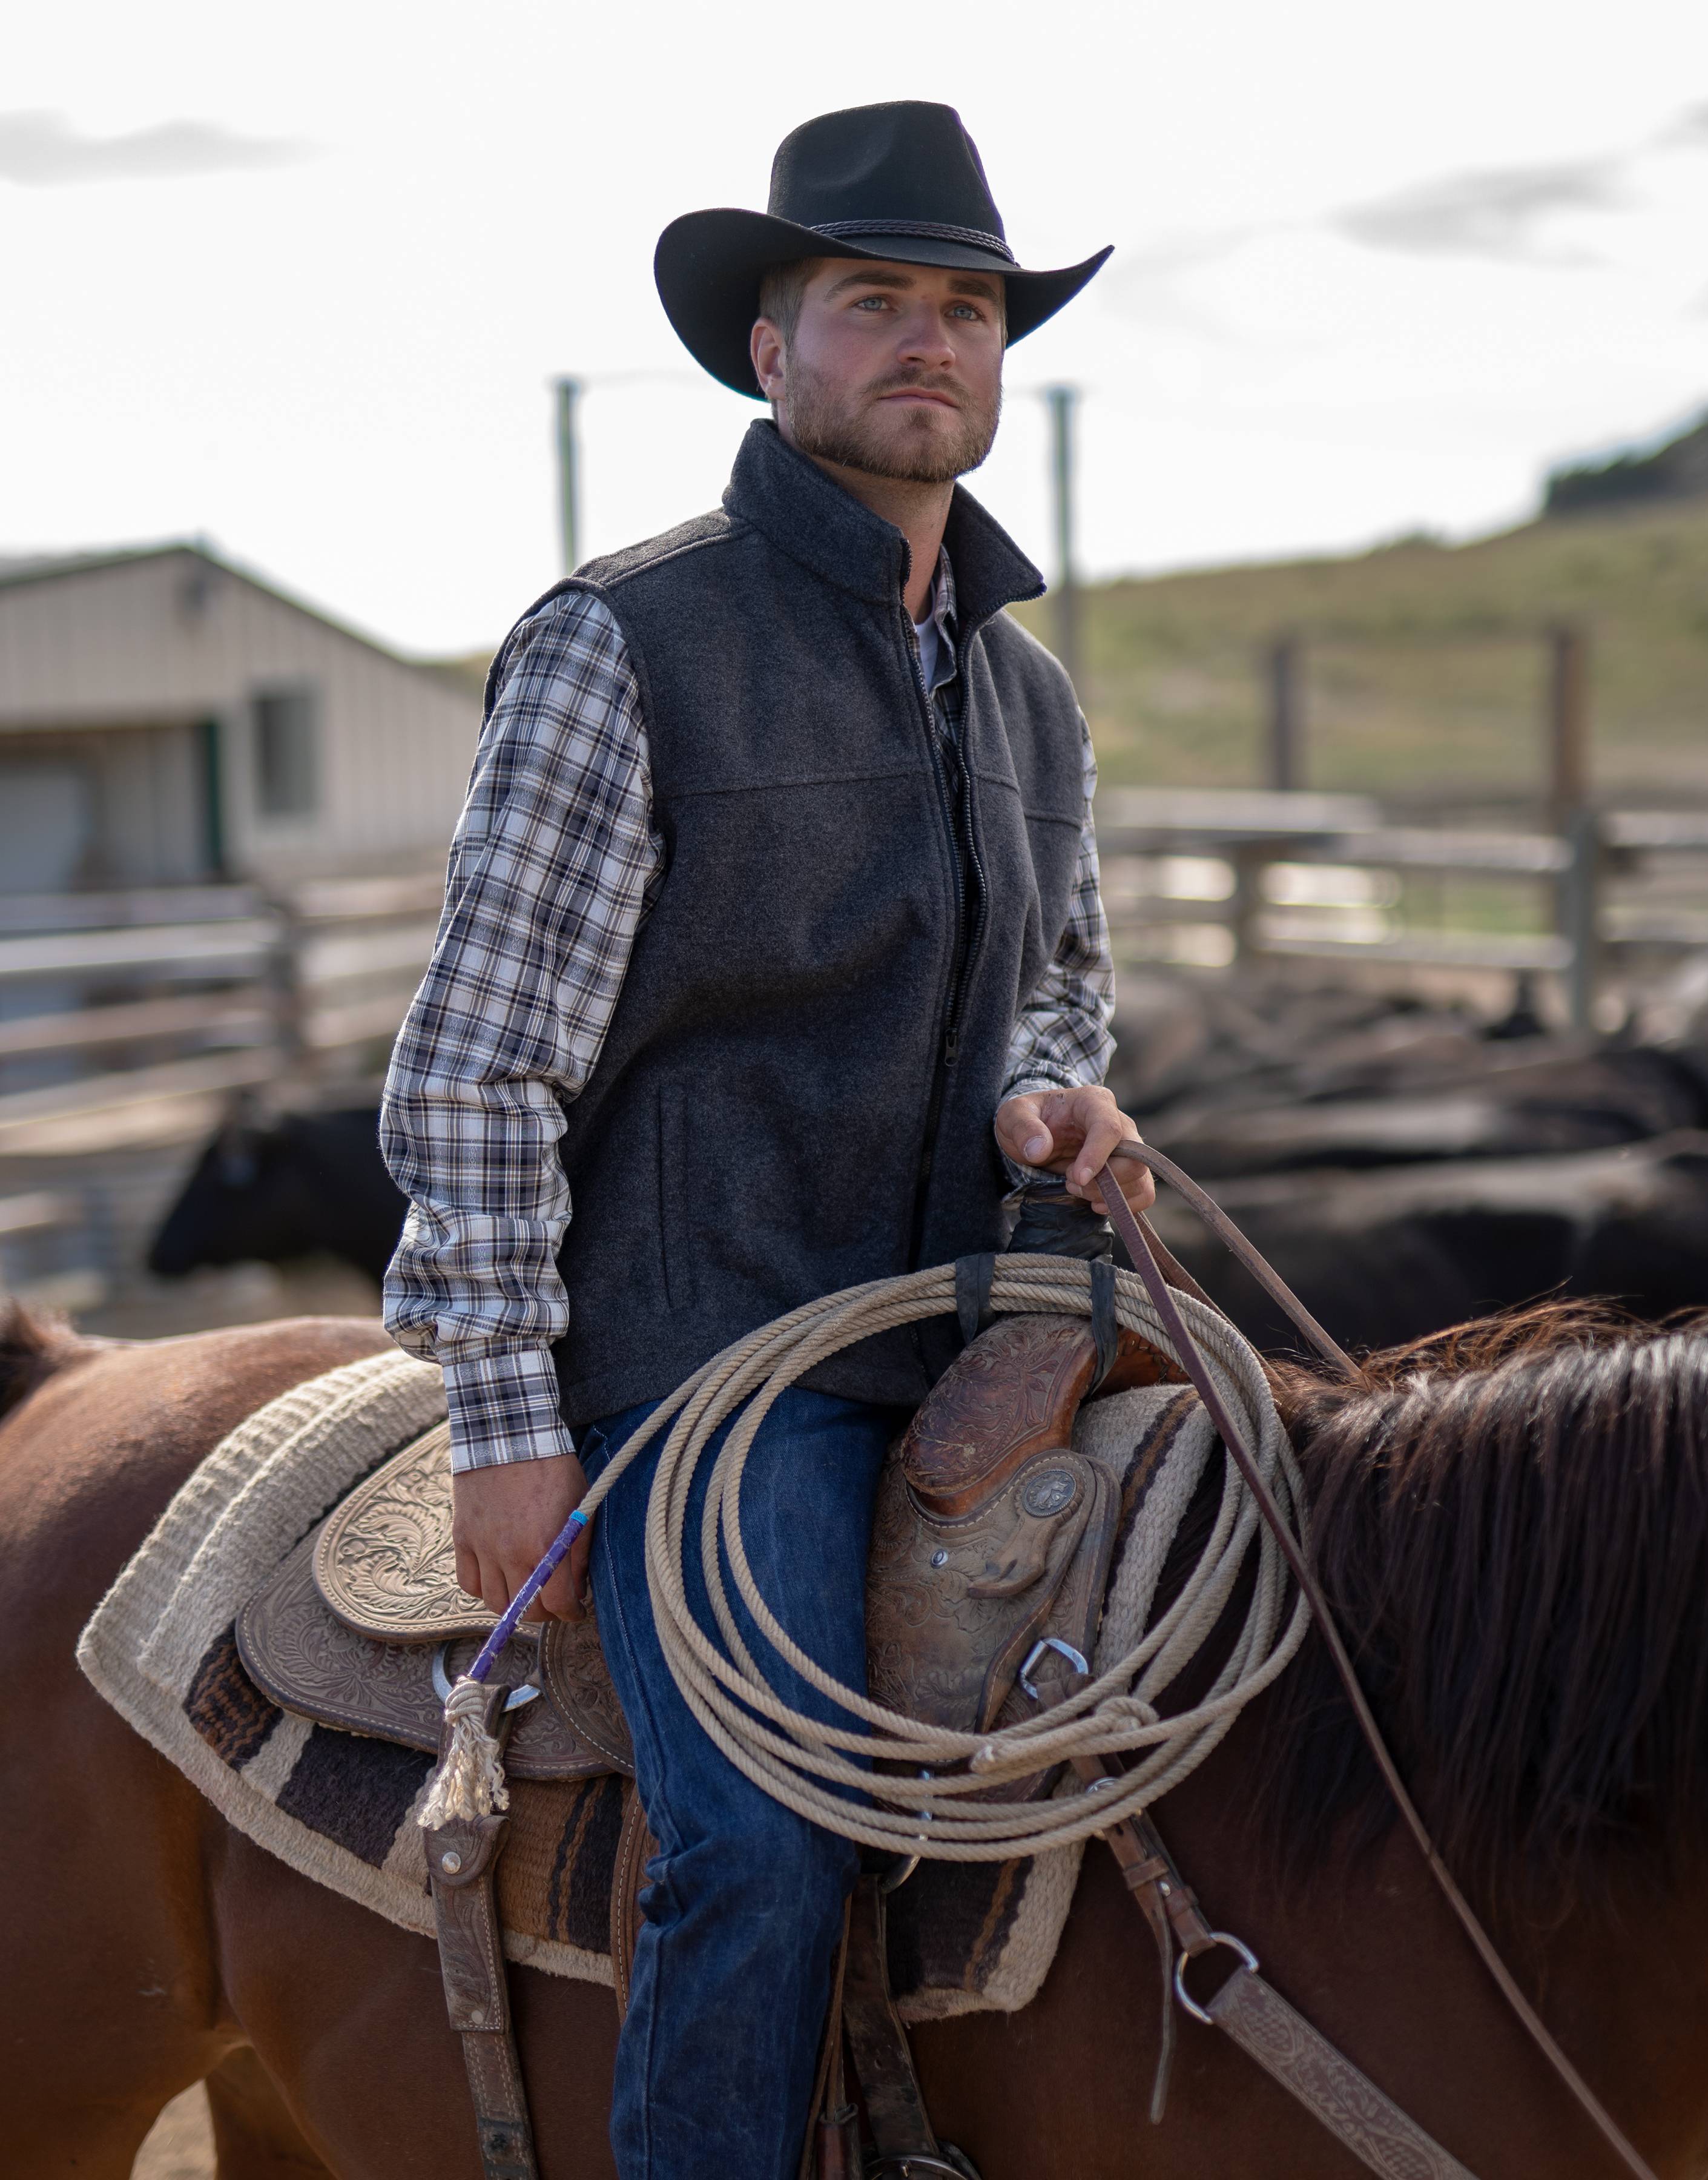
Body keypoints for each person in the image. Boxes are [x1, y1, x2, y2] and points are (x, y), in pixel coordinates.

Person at [379, 98, 1153, 2180]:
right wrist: (500, 1418)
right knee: (771, 1840)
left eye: (968, 308)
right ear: (769, 352)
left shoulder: (1028, 694)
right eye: (876, 301)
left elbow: (1065, 979)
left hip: (980, 1326)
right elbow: (475, 1065)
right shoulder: (624, 644)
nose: (932, 342)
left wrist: (1049, 1082)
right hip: (708, 1366)